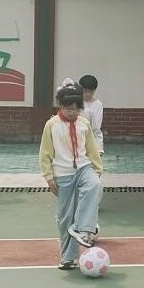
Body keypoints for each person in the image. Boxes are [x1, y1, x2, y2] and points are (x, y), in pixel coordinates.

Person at [39, 80, 105, 270]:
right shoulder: (51, 125)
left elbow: (91, 148)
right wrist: (48, 176)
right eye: (68, 109)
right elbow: (45, 153)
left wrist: (97, 169)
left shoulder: (84, 123)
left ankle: (83, 228)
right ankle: (68, 257)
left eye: (76, 109)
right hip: (62, 174)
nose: (72, 112)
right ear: (60, 105)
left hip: (83, 168)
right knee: (65, 217)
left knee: (94, 185)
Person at [80, 75, 105, 153]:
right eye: (85, 91)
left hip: (90, 138)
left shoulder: (97, 105)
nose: (88, 94)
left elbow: (96, 127)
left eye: (91, 91)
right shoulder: (75, 102)